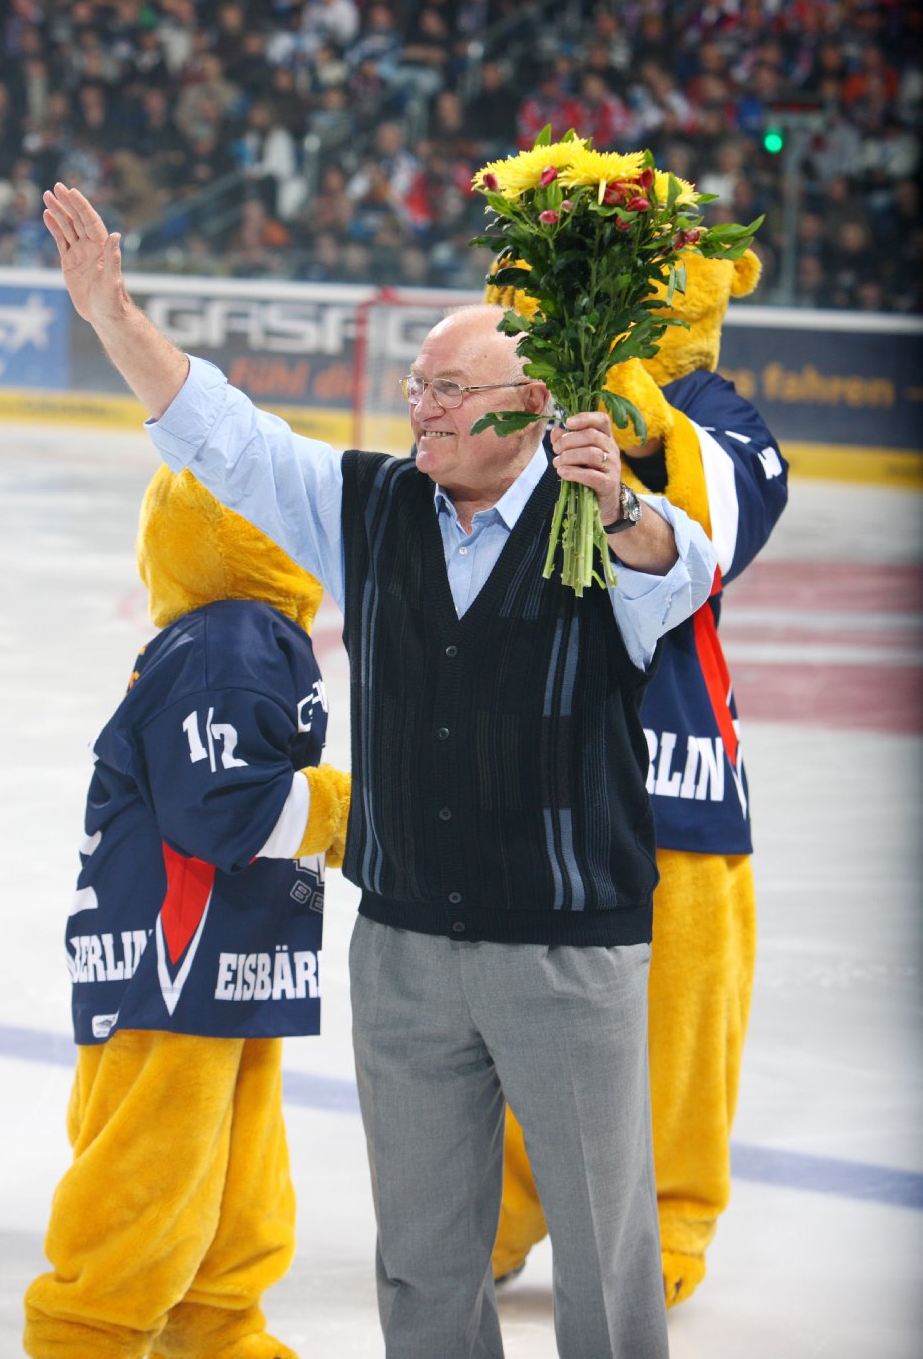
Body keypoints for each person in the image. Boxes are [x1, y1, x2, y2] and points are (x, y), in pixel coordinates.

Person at [42, 181, 718, 1359]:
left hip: (566, 953)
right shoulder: (373, 507)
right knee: (421, 1263)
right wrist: (116, 320)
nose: (421, 407)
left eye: (448, 391)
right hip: (404, 951)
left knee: (605, 1269)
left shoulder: (598, 529)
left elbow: (678, 568)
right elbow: (227, 436)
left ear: (532, 406)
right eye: (417, 386)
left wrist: (617, 501)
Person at [485, 250, 788, 1308]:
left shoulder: (710, 405)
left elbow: (738, 515)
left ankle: (665, 1206)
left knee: (682, 998)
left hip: (679, 753)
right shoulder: (537, 380)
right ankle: (511, 1197)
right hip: (542, 746)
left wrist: (647, 420)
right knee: (522, 991)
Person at [24, 461, 351, 1359]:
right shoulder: (231, 639)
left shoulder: (247, 634)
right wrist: (345, 815)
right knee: (151, 1157)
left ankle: (214, 1322)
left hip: (225, 944)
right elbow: (225, 808)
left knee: (241, 1153)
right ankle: (87, 1331)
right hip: (172, 952)